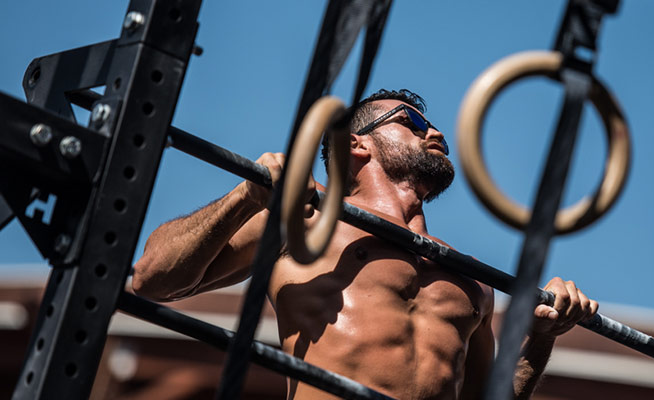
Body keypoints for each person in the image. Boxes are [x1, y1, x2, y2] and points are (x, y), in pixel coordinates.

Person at [132, 89, 599, 399]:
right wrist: (244, 196)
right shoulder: (305, 221)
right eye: (412, 121)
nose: (434, 133)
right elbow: (152, 279)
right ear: (356, 145)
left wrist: (539, 341)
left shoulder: (473, 277)